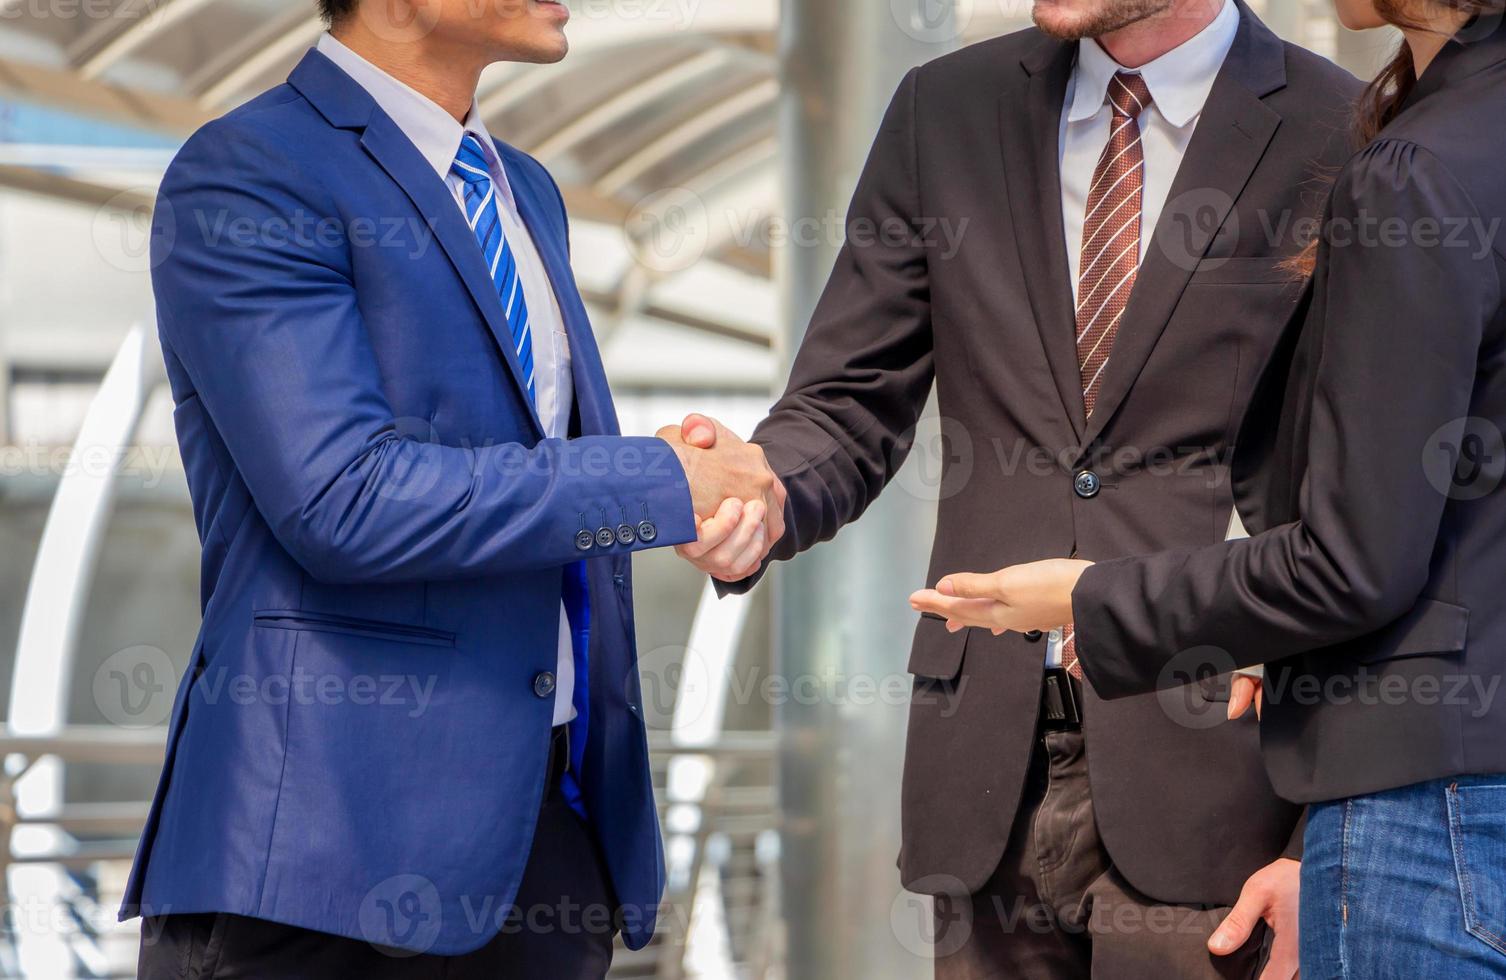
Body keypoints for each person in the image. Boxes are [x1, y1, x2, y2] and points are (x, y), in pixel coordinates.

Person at [664, 0, 1363, 974]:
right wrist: (758, 489)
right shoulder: (943, 112)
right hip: (985, 770)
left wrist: (1317, 848)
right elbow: (849, 399)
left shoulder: (1349, 130)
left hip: (1227, 783)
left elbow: (1375, 512)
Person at [122, 0, 781, 976]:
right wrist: (654, 481)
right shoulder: (250, 172)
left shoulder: (525, 190)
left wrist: (710, 512)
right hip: (328, 857)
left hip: (544, 844)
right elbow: (343, 498)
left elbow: (536, 473)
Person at [910, 2, 1506, 975]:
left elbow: (1353, 561)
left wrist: (1087, 596)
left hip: (1416, 808)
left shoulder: (1409, 160)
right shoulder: (946, 107)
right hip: (996, 785)